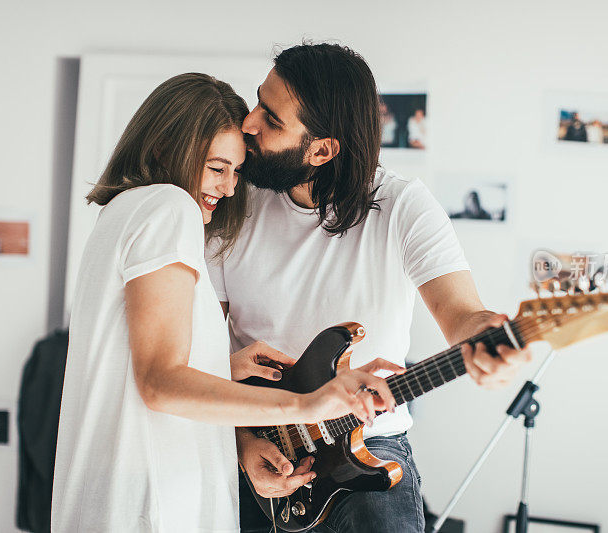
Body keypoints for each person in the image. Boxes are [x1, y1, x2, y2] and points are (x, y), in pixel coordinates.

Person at [51, 73, 401, 533]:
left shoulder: (121, 212)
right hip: (154, 505)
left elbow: (132, 367)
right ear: (163, 148)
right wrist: (307, 406)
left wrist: (219, 365)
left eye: (236, 171)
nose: (231, 188)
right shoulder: (168, 208)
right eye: (217, 168)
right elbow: (160, 383)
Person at [205, 43, 531, 533]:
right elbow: (198, 345)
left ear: (321, 150)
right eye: (258, 103)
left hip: (366, 445)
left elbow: (462, 315)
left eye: (271, 120)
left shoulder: (403, 206)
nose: (247, 124)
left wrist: (489, 335)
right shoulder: (230, 200)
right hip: (251, 430)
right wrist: (239, 443)